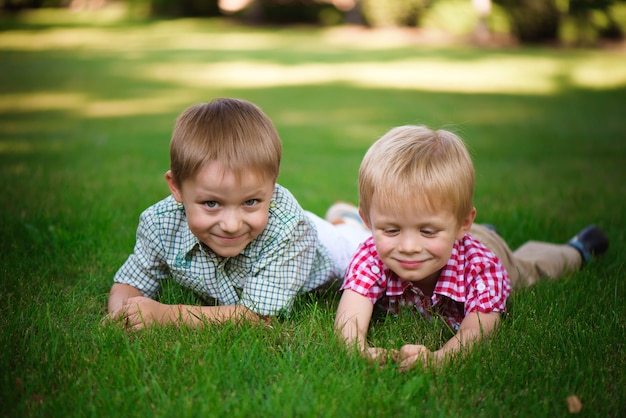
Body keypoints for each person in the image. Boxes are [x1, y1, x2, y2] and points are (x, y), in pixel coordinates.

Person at [332, 125, 609, 370]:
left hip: (486, 249)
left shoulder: (483, 267)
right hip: (455, 237)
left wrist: (439, 360)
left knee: (528, 269)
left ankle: (577, 248)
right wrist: (356, 349)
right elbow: (350, 316)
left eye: (427, 231)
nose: (408, 246)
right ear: (367, 222)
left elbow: (476, 332)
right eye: (391, 230)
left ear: (463, 223)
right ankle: (464, 231)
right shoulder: (371, 253)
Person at [107, 98, 369, 331]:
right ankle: (342, 218)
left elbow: (259, 317)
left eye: (251, 201)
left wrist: (167, 315)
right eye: (211, 203)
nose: (231, 225)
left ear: (273, 186)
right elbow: (132, 280)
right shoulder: (160, 222)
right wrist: (122, 315)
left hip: (327, 247)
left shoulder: (289, 228)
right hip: (293, 223)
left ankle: (349, 224)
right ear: (176, 187)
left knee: (362, 245)